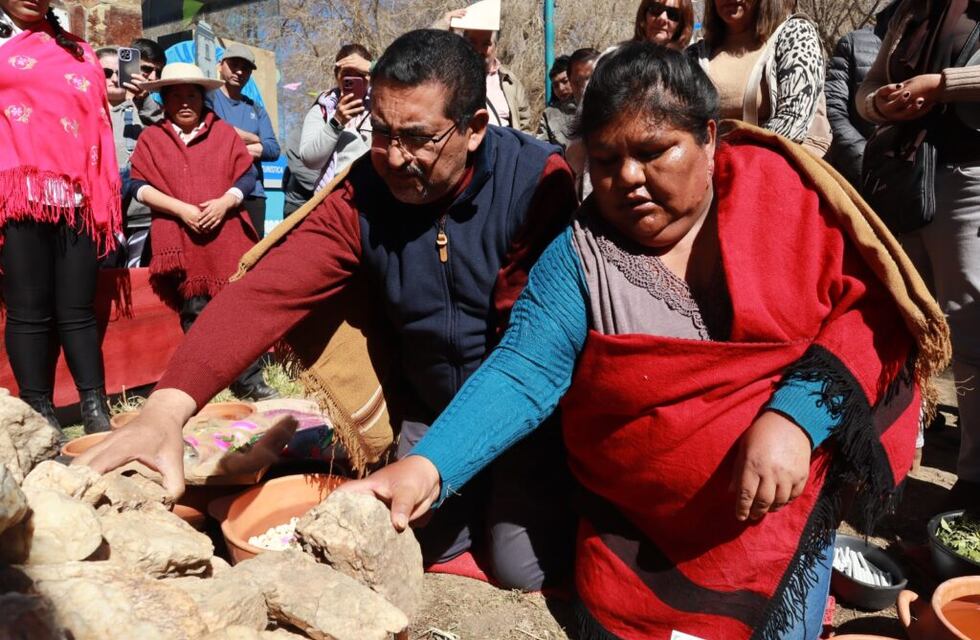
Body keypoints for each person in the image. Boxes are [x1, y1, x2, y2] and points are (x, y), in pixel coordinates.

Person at [339, 44, 947, 639]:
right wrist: (427, 466)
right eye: (605, 160)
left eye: (654, 151)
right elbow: (523, 369)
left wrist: (797, 417)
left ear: (709, 139)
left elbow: (870, 310)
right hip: (638, 533)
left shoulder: (781, 193)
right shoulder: (579, 258)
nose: (628, 177)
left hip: (779, 510)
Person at [78, 29, 579, 591]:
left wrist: (441, 463)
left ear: (476, 128)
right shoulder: (365, 189)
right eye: (382, 132)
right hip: (427, 404)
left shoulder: (537, 183)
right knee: (411, 540)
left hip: (521, 411)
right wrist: (165, 411)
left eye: (416, 138)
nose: (393, 156)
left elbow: (530, 356)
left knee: (522, 568)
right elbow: (266, 292)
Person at [857, 0, 980, 510]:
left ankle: (973, 481)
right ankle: (886, 462)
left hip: (967, 182)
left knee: (968, 332)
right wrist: (883, 105)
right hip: (903, 183)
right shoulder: (911, 10)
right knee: (897, 325)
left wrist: (940, 85)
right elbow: (864, 95)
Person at [1, 0, 121, 433]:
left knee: (77, 308)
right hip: (17, 192)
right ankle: (39, 414)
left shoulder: (80, 50)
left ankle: (95, 406)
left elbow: (93, 120)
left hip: (77, 195)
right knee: (28, 309)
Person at [128, 62, 276, 403]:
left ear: (202, 98)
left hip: (225, 238)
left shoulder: (223, 134)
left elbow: (247, 176)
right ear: (164, 100)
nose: (184, 102)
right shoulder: (152, 139)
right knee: (195, 312)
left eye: (191, 95)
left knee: (236, 311)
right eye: (176, 95)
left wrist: (226, 202)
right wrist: (180, 209)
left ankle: (249, 380)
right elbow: (137, 186)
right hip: (181, 240)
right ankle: (203, 383)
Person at [692, 0, 829, 155]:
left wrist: (732, 156)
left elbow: (793, 121)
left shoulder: (797, 34)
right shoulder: (695, 55)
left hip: (773, 164)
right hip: (708, 168)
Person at [207, 43, 280, 238]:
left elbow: (273, 149)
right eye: (234, 65)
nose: (239, 71)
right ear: (220, 65)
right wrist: (255, 139)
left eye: (246, 68)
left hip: (253, 194)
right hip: (216, 191)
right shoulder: (207, 100)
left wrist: (233, 146)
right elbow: (211, 133)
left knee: (252, 257)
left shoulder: (256, 108)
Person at [824, 2, 899, 188]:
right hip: (859, 179)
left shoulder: (935, 44)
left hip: (917, 180)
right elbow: (832, 111)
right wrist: (865, 164)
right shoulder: (853, 43)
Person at [97, 46, 153, 267]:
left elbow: (168, 131)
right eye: (106, 73)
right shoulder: (86, 111)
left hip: (141, 216)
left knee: (140, 284)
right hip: (103, 218)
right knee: (107, 283)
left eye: (120, 72)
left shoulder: (143, 109)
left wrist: (144, 99)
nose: (113, 79)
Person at [440, 2, 533, 132]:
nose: (478, 49)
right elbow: (424, 63)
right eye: (472, 42)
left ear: (495, 46)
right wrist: (441, 27)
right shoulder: (452, 77)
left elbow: (525, 124)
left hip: (504, 150)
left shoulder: (510, 81)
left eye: (486, 43)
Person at [298, 44, 373, 193]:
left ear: (369, 76)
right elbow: (310, 159)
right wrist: (336, 122)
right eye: (347, 75)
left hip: (377, 194)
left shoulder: (385, 103)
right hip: (335, 196)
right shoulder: (322, 109)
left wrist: (375, 67)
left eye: (359, 73)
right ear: (337, 77)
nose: (352, 79)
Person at [536, 55, 576, 149]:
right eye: (555, 85)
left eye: (565, 81)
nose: (561, 89)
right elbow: (542, 148)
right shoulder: (549, 114)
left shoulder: (591, 106)